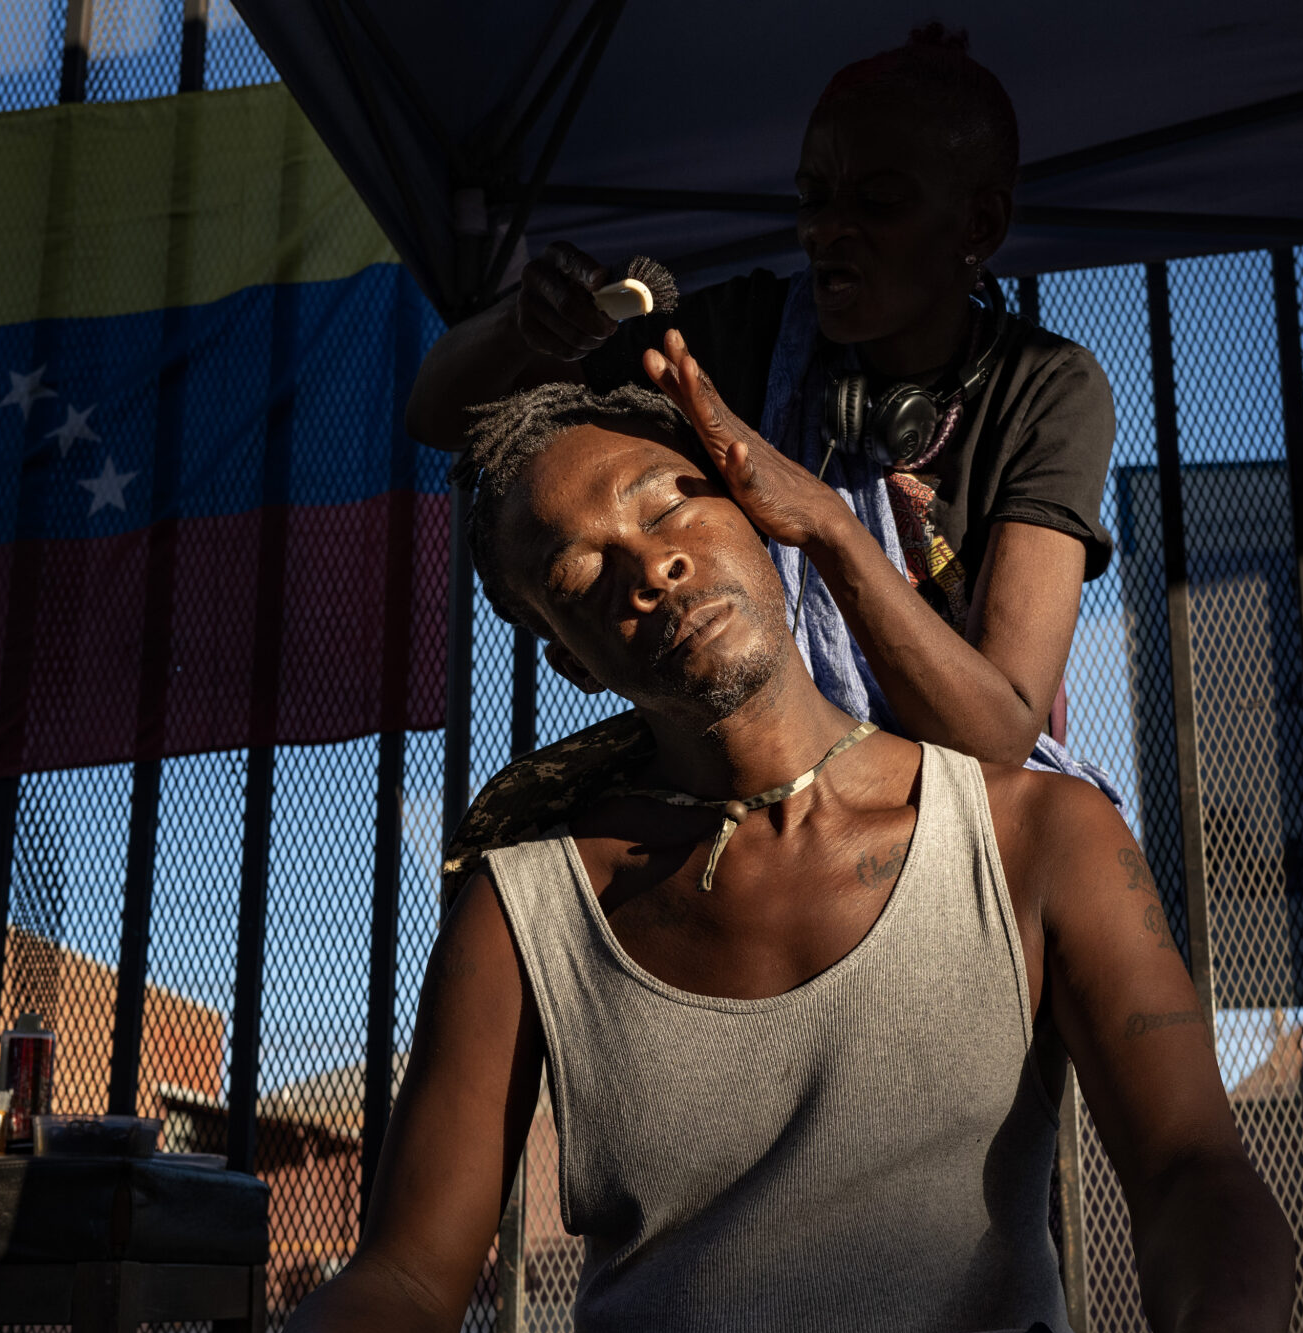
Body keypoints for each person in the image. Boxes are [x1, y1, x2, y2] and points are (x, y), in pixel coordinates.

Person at [88, 384, 1303, 1333]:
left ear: (761, 522)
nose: (646, 559)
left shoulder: (1036, 834)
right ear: (565, 649)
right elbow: (417, 1279)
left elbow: (1193, 1172)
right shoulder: (524, 899)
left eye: (669, 502)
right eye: (578, 563)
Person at [408, 27, 1122, 896]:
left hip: (955, 839)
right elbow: (442, 413)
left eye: (878, 201)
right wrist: (526, 322)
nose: (828, 230)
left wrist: (822, 520)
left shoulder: (1047, 386)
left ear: (979, 224)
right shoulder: (741, 333)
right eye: (813, 198)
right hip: (760, 816)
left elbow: (997, 735)